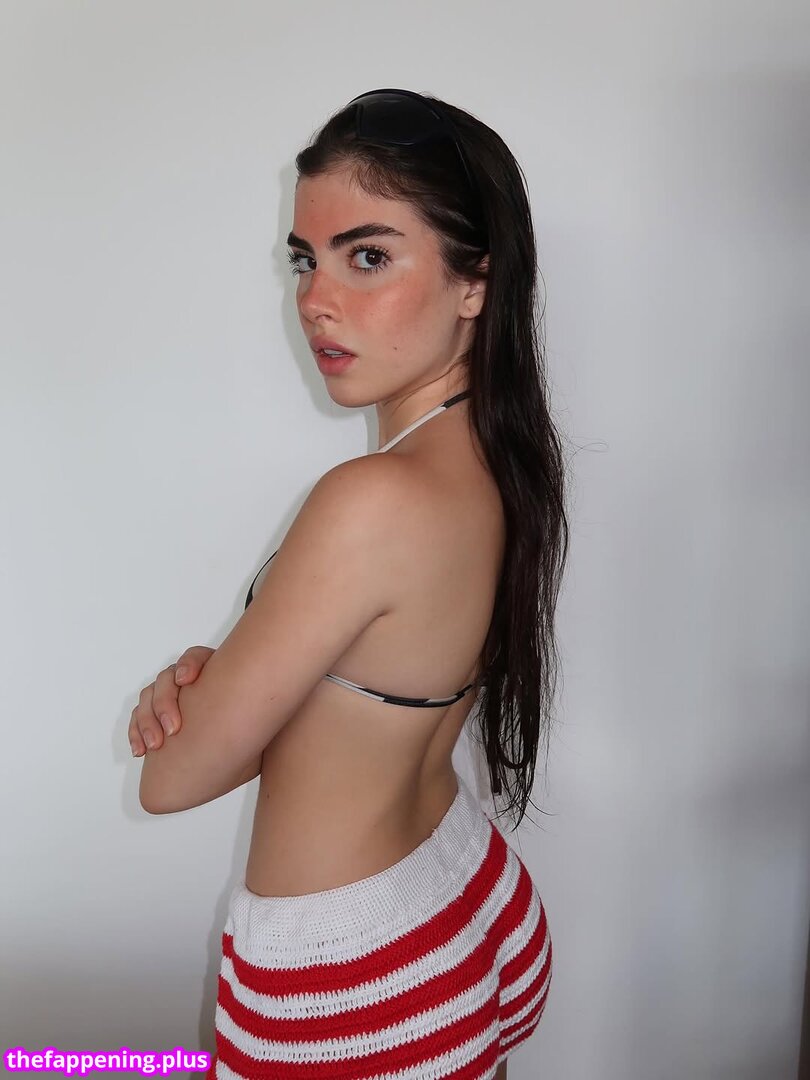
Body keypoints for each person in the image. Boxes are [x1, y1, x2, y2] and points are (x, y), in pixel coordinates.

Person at [129, 87, 570, 1080]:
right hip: (457, 896)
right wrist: (235, 676)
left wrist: (201, 694)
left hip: (353, 986)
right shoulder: (497, 462)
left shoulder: (370, 501)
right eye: (306, 259)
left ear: (476, 281)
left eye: (367, 257)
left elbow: (169, 780)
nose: (316, 300)